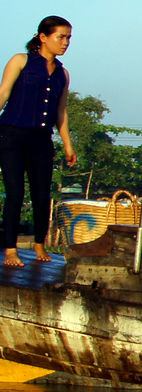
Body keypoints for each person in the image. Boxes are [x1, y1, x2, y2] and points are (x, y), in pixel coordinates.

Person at [0, 17, 77, 267]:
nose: (65, 42)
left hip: (42, 139)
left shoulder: (62, 74)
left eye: (68, 38)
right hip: (12, 135)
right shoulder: (21, 61)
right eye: (60, 37)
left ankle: (39, 244)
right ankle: (11, 249)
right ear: (43, 37)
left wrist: (67, 144)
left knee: (42, 195)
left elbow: (61, 111)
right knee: (15, 193)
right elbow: (3, 94)